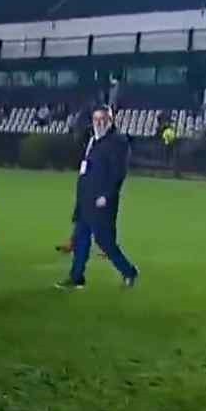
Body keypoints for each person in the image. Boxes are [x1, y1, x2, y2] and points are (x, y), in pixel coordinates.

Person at [57, 106, 138, 290]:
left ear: (111, 121)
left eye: (103, 119)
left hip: (102, 202)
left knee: (105, 242)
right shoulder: (93, 140)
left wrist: (106, 196)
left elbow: (119, 173)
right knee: (81, 239)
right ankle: (76, 277)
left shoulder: (118, 142)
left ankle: (129, 271)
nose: (99, 123)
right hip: (86, 199)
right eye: (96, 119)